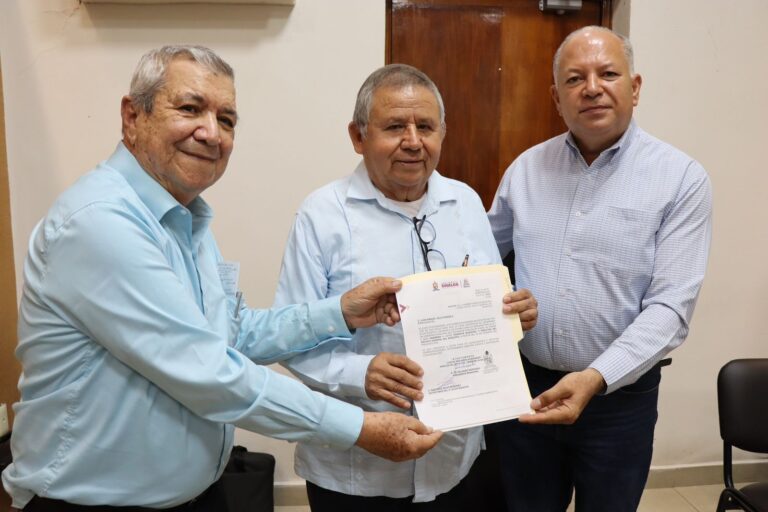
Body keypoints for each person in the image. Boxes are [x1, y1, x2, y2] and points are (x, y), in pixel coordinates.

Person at [1, 46, 444, 511]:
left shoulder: (184, 218)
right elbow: (208, 374)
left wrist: (340, 313)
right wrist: (359, 428)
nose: (212, 133)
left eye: (226, 119)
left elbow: (232, 333)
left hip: (197, 494)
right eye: (190, 108)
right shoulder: (100, 223)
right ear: (133, 117)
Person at [273, 63, 538, 511]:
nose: (413, 141)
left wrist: (514, 317)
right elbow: (289, 337)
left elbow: (492, 313)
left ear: (442, 134)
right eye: (395, 126)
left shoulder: (465, 202)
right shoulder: (322, 215)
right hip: (355, 471)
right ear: (358, 136)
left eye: (426, 127)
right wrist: (361, 373)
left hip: (454, 460)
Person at [487, 26, 712, 511]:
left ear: (635, 87)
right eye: (575, 79)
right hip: (525, 391)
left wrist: (596, 376)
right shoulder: (525, 170)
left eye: (608, 74)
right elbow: (480, 257)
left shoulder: (681, 179)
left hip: (618, 404)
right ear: (556, 97)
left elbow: (671, 309)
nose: (592, 88)